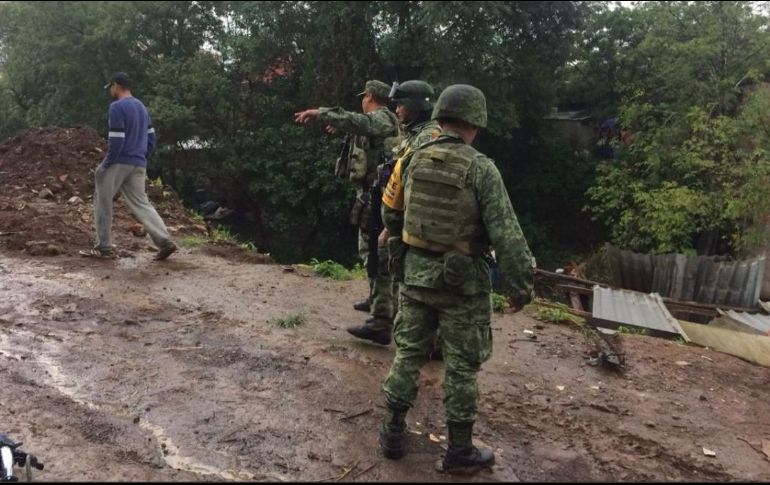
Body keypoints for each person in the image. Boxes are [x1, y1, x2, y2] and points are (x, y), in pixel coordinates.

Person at [378, 84, 535, 474]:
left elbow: (390, 214)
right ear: (475, 121)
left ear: (440, 116)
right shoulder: (481, 168)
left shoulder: (412, 157)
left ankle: (392, 432)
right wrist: (519, 288)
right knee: (462, 366)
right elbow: (508, 236)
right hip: (462, 285)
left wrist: (404, 255)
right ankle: (459, 452)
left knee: (409, 353)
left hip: (415, 277)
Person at [294, 81, 402, 340]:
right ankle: (378, 300)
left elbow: (359, 122)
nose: (361, 102)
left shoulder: (383, 118)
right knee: (369, 252)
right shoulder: (374, 122)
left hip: (381, 198)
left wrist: (320, 113)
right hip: (372, 195)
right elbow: (361, 132)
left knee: (378, 255)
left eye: (363, 97)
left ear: (369, 97)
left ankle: (381, 320)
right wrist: (343, 127)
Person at [346, 80, 441, 347]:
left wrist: (393, 224)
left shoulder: (426, 137)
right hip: (398, 213)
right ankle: (392, 322)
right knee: (394, 269)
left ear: (412, 106)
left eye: (400, 104)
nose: (397, 109)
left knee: (408, 276)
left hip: (415, 221)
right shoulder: (416, 134)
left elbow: (416, 183)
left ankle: (417, 337)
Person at [80, 72, 177, 261]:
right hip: (138, 162)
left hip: (119, 161)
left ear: (116, 86)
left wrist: (107, 164)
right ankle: (164, 240)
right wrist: (142, 157)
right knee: (141, 203)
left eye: (111, 87)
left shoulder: (117, 107)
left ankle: (104, 248)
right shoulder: (141, 107)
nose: (110, 90)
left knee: (103, 201)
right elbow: (151, 138)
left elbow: (117, 139)